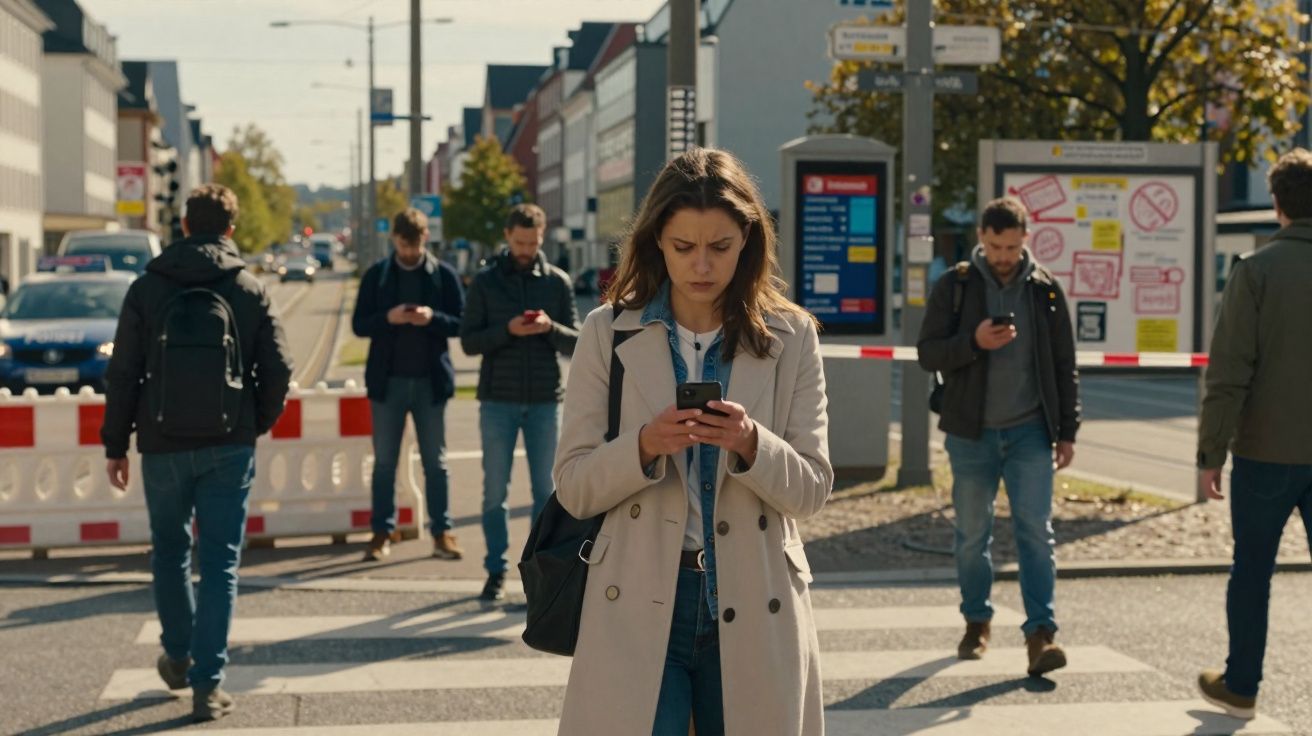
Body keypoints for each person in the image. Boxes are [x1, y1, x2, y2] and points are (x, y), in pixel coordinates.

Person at [552, 148, 833, 734]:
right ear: (657, 240)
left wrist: (753, 443)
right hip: (637, 595)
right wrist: (645, 446)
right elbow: (574, 487)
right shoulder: (607, 332)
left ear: (748, 241)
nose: (701, 265)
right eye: (684, 247)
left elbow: (811, 490)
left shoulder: (793, 335)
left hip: (757, 594)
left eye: (720, 247)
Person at [101, 184, 293, 722]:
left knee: (169, 553)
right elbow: (278, 367)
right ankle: (208, 684)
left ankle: (179, 655)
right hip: (228, 444)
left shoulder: (147, 287)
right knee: (220, 563)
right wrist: (254, 423)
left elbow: (123, 373)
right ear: (231, 230)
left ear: (184, 225)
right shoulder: (248, 287)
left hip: (161, 445)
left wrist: (115, 443)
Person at [916, 196, 1080, 677]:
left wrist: (1067, 431)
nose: (1004, 255)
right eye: (994, 246)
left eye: (1011, 246)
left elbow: (1065, 365)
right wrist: (973, 343)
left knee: (1035, 532)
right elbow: (928, 353)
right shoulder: (956, 286)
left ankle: (1041, 635)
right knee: (972, 535)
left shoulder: (1045, 289)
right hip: (971, 433)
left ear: (1025, 239)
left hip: (1030, 431)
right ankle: (976, 620)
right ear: (981, 241)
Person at [1196, 148, 1312, 721]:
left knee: (1253, 572)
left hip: (1266, 452)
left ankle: (1241, 685)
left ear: (1277, 205)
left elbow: (1229, 371)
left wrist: (1210, 453)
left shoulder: (1256, 271)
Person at [459, 204, 579, 601]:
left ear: (542, 237)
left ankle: (539, 578)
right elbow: (469, 342)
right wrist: (507, 331)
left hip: (546, 399)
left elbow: (578, 342)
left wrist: (549, 328)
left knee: (545, 493)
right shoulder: (486, 282)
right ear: (507, 237)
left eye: (533, 242)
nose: (527, 249)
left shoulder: (558, 282)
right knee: (495, 492)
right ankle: (495, 571)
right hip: (498, 400)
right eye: (520, 241)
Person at [352, 208, 465, 562]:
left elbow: (461, 323)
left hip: (430, 382)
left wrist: (432, 318)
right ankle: (381, 532)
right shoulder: (378, 275)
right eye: (404, 245)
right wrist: (388, 318)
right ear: (394, 240)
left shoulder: (443, 275)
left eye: (415, 246)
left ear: (425, 239)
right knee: (385, 462)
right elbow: (358, 324)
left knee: (436, 462)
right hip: (388, 383)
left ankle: (442, 532)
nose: (410, 253)